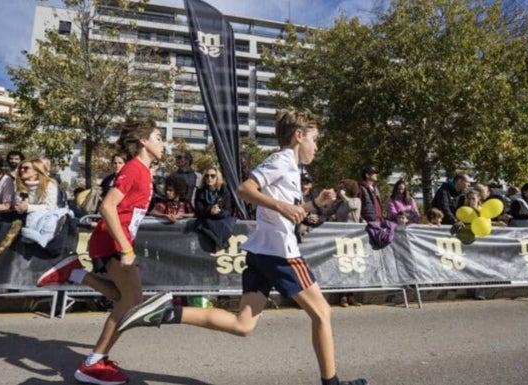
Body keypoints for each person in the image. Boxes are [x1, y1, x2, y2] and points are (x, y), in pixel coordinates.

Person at [116, 108, 367, 385]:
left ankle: (165, 311)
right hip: (280, 252)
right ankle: (332, 383)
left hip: (262, 251)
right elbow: (245, 189)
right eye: (315, 139)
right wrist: (283, 206)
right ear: (298, 136)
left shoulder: (291, 167)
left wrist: (316, 204)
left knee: (243, 324)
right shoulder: (282, 160)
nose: (317, 146)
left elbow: (287, 211)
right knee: (323, 312)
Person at [36, 117, 165, 385]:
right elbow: (107, 207)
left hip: (113, 241)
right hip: (113, 242)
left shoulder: (143, 170)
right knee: (131, 300)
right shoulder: (133, 168)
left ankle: (76, 274)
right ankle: (93, 362)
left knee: (126, 298)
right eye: (158, 137)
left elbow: (130, 209)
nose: (163, 143)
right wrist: (127, 247)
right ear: (143, 141)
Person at [329, 178, 362, 307]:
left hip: (353, 238)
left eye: (343, 187)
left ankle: (351, 295)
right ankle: (342, 296)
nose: (340, 189)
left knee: (352, 266)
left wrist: (343, 196)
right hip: (340, 237)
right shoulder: (339, 203)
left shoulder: (356, 200)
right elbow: (328, 212)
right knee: (342, 266)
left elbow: (351, 207)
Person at [193, 166, 235, 250]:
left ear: (217, 177)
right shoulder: (200, 191)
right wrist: (210, 210)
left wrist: (219, 212)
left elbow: (228, 210)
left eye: (213, 176)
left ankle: (220, 243)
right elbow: (198, 210)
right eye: (207, 176)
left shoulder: (224, 190)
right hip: (205, 219)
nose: (209, 178)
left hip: (221, 218)